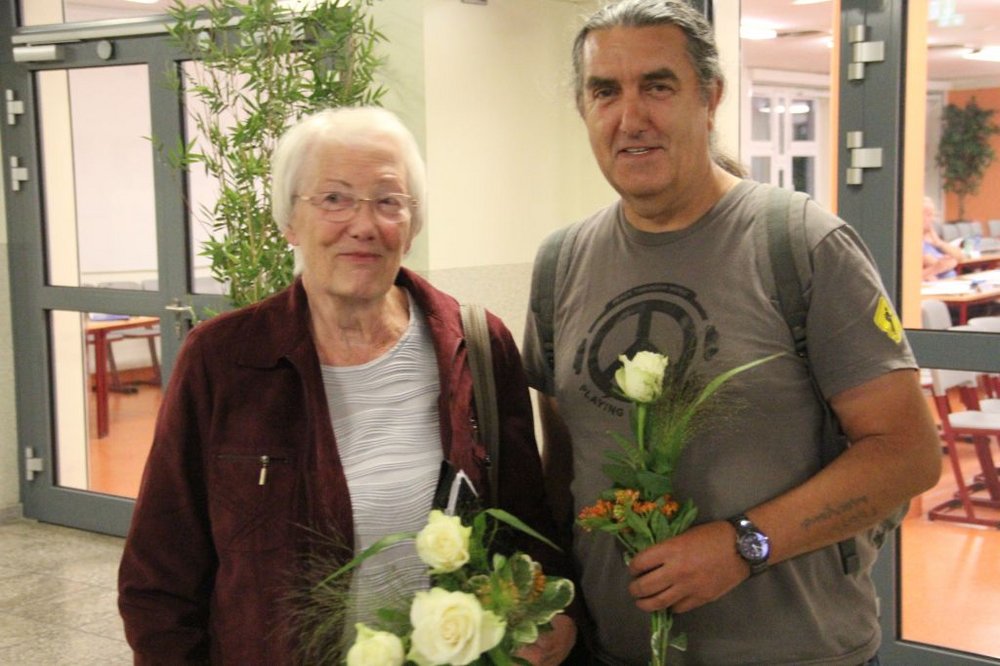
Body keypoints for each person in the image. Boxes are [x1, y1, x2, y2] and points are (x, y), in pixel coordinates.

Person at [521, 1, 941, 664]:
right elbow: (563, 468)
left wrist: (748, 543)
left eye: (658, 86)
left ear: (710, 97)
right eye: (606, 91)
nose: (631, 118)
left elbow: (909, 454)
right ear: (584, 109)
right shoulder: (560, 264)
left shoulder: (800, 246)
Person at [118, 107, 576, 665]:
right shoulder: (224, 361)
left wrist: (555, 618)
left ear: (412, 225)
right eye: (334, 198)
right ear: (290, 220)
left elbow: (528, 526)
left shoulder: (476, 346)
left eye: (388, 201)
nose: (364, 224)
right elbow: (160, 575)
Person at [922, 196, 964, 280]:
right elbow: (939, 264)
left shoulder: (930, 236)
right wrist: (940, 265)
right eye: (929, 215)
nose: (932, 219)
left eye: (933, 215)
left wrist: (939, 243)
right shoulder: (913, 242)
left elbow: (960, 256)